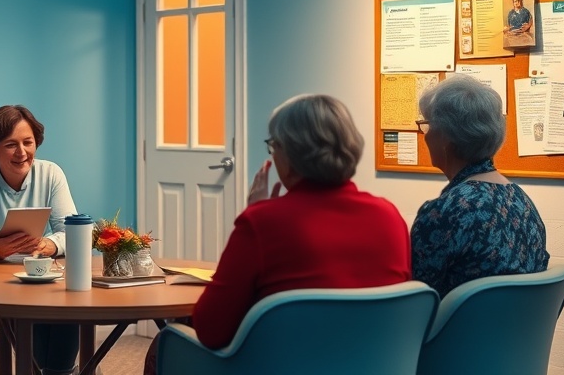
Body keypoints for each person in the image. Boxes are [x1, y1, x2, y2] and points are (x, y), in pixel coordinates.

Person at [143, 94, 412, 374]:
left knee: (165, 343)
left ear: (292, 156)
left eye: (274, 146)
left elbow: (211, 330)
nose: (272, 154)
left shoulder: (261, 223)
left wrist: (256, 213)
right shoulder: (389, 217)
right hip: (369, 366)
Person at [0, 105, 80, 375]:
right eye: (11, 145)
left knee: (66, 302)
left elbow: (71, 232)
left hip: (41, 280)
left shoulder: (51, 173)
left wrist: (49, 245)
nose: (22, 152)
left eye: (28, 142)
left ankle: (59, 371)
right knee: (40, 310)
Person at [411, 76, 549, 298]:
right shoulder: (523, 203)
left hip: (457, 323)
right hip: (518, 322)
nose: (425, 137)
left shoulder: (443, 213)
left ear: (445, 137)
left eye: (427, 126)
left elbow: (416, 299)